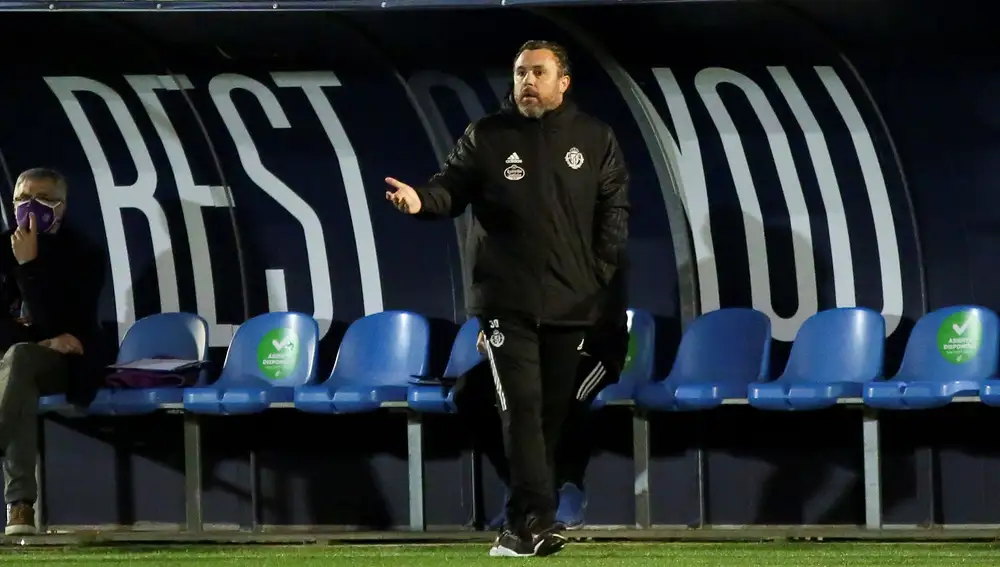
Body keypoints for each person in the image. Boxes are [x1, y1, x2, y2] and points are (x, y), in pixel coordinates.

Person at [385, 40, 629, 556]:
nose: (527, 82)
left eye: (538, 73)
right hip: (505, 303)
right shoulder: (487, 136)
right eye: (520, 73)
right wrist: (419, 200)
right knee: (521, 405)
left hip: (571, 303)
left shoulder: (595, 137)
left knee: (550, 416)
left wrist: (596, 276)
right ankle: (537, 521)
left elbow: (614, 214)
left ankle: (519, 528)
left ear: (563, 82)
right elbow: (449, 188)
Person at [457, 251, 630, 531]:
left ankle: (566, 487)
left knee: (566, 398)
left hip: (593, 351)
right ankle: (522, 486)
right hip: (531, 351)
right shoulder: (524, 245)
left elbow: (602, 308)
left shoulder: (595, 248)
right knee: (470, 392)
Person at [0, 168, 103, 535]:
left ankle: (20, 505)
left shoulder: (85, 255)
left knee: (20, 360)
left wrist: (29, 266)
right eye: (22, 199)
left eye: (42, 199)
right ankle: (21, 508)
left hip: (64, 365)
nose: (30, 207)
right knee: (18, 373)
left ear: (61, 206)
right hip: (18, 363)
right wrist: (39, 339)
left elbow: (65, 324)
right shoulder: (0, 248)